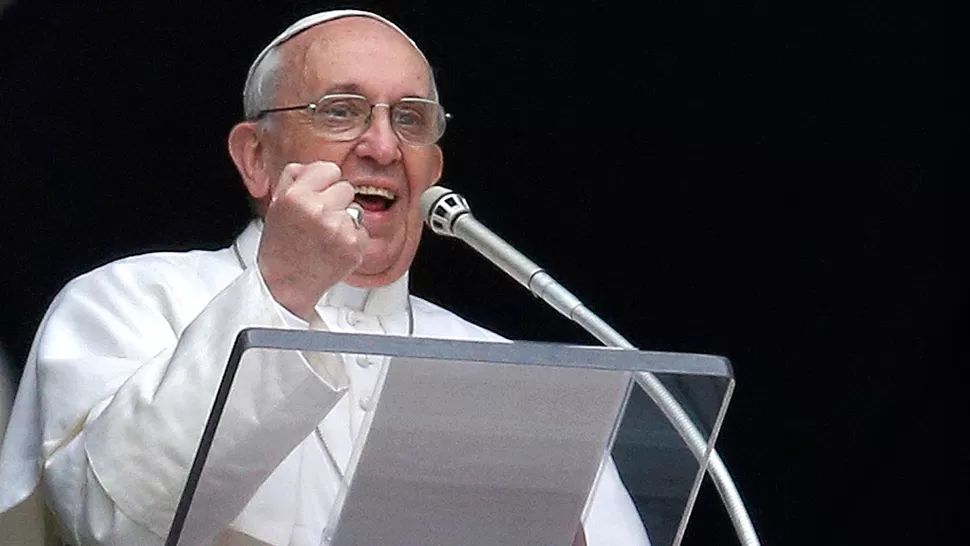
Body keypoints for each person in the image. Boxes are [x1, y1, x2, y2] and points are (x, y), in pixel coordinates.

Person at [0, 10, 650, 546]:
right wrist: (284, 284)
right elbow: (113, 526)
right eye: (341, 111)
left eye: (411, 119)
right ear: (255, 157)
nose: (383, 146)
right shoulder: (129, 301)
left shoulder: (510, 377)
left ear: (433, 167)